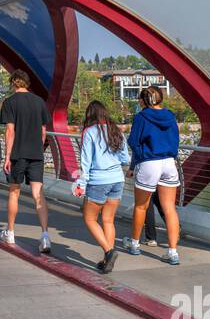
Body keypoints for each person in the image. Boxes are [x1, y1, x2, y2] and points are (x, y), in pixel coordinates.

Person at [72, 100, 131, 273]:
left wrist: (81, 183)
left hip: (98, 181)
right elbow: (125, 159)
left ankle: (109, 251)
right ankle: (107, 260)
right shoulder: (116, 130)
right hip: (117, 179)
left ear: (89, 115)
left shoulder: (89, 132)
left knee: (90, 219)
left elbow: (86, 161)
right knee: (108, 220)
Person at [125, 86, 182, 264]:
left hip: (150, 162)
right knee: (169, 207)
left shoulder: (141, 117)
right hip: (169, 163)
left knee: (141, 206)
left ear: (143, 101)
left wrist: (141, 154)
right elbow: (176, 139)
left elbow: (133, 141)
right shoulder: (170, 115)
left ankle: (134, 244)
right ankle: (172, 252)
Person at [0, 69, 52, 253]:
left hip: (17, 154)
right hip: (36, 154)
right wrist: (37, 149)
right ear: (27, 83)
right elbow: (43, 132)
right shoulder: (39, 102)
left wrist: (7, 157)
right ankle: (45, 236)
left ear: (13, 82)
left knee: (14, 192)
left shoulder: (10, 102)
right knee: (39, 194)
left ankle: (11, 232)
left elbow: (10, 131)